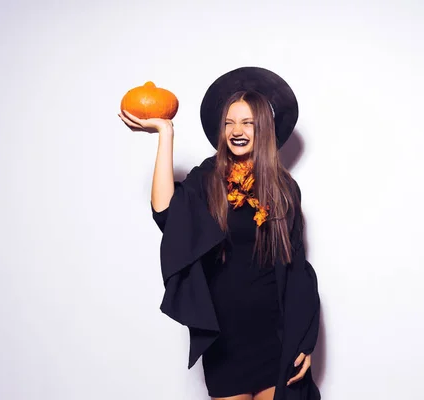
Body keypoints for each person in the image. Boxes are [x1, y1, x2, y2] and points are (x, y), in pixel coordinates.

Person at [119, 67, 321, 400]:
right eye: (229, 123)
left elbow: (298, 266)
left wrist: (305, 339)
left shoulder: (284, 188)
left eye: (247, 123)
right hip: (226, 339)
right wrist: (165, 135)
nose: (236, 131)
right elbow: (165, 211)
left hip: (277, 336)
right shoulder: (208, 178)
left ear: (264, 129)